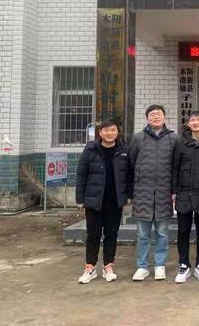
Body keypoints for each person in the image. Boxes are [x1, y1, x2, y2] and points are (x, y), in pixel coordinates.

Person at [76, 118, 132, 284]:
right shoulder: (91, 149)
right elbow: (81, 174)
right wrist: (80, 198)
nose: (110, 133)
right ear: (100, 132)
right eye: (106, 130)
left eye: (113, 130)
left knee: (111, 235)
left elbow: (129, 175)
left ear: (117, 132)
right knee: (93, 235)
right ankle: (90, 268)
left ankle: (108, 267)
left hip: (114, 201)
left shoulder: (123, 150)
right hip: (94, 201)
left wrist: (128, 195)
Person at [129, 105, 178, 282]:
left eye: (159, 114)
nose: (156, 117)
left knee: (162, 233)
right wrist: (133, 190)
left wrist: (174, 190)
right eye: (152, 114)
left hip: (164, 193)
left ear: (164, 117)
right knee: (143, 234)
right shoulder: (138, 138)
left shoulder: (173, 138)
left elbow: (176, 166)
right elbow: (132, 164)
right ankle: (142, 266)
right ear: (147, 118)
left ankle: (159, 265)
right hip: (143, 193)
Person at [172, 111, 199, 283]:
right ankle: (184, 265)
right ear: (188, 124)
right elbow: (175, 168)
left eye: (198, 119)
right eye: (192, 120)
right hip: (183, 193)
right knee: (183, 231)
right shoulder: (180, 143)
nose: (195, 122)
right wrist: (173, 191)